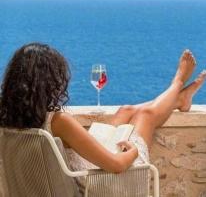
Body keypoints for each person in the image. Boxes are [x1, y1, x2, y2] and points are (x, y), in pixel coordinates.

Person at [0, 43, 205, 195]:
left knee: (125, 111)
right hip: (91, 185)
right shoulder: (57, 121)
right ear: (49, 81)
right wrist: (132, 152)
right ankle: (177, 83)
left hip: (63, 179)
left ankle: (179, 99)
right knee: (145, 116)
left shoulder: (7, 118)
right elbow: (117, 166)